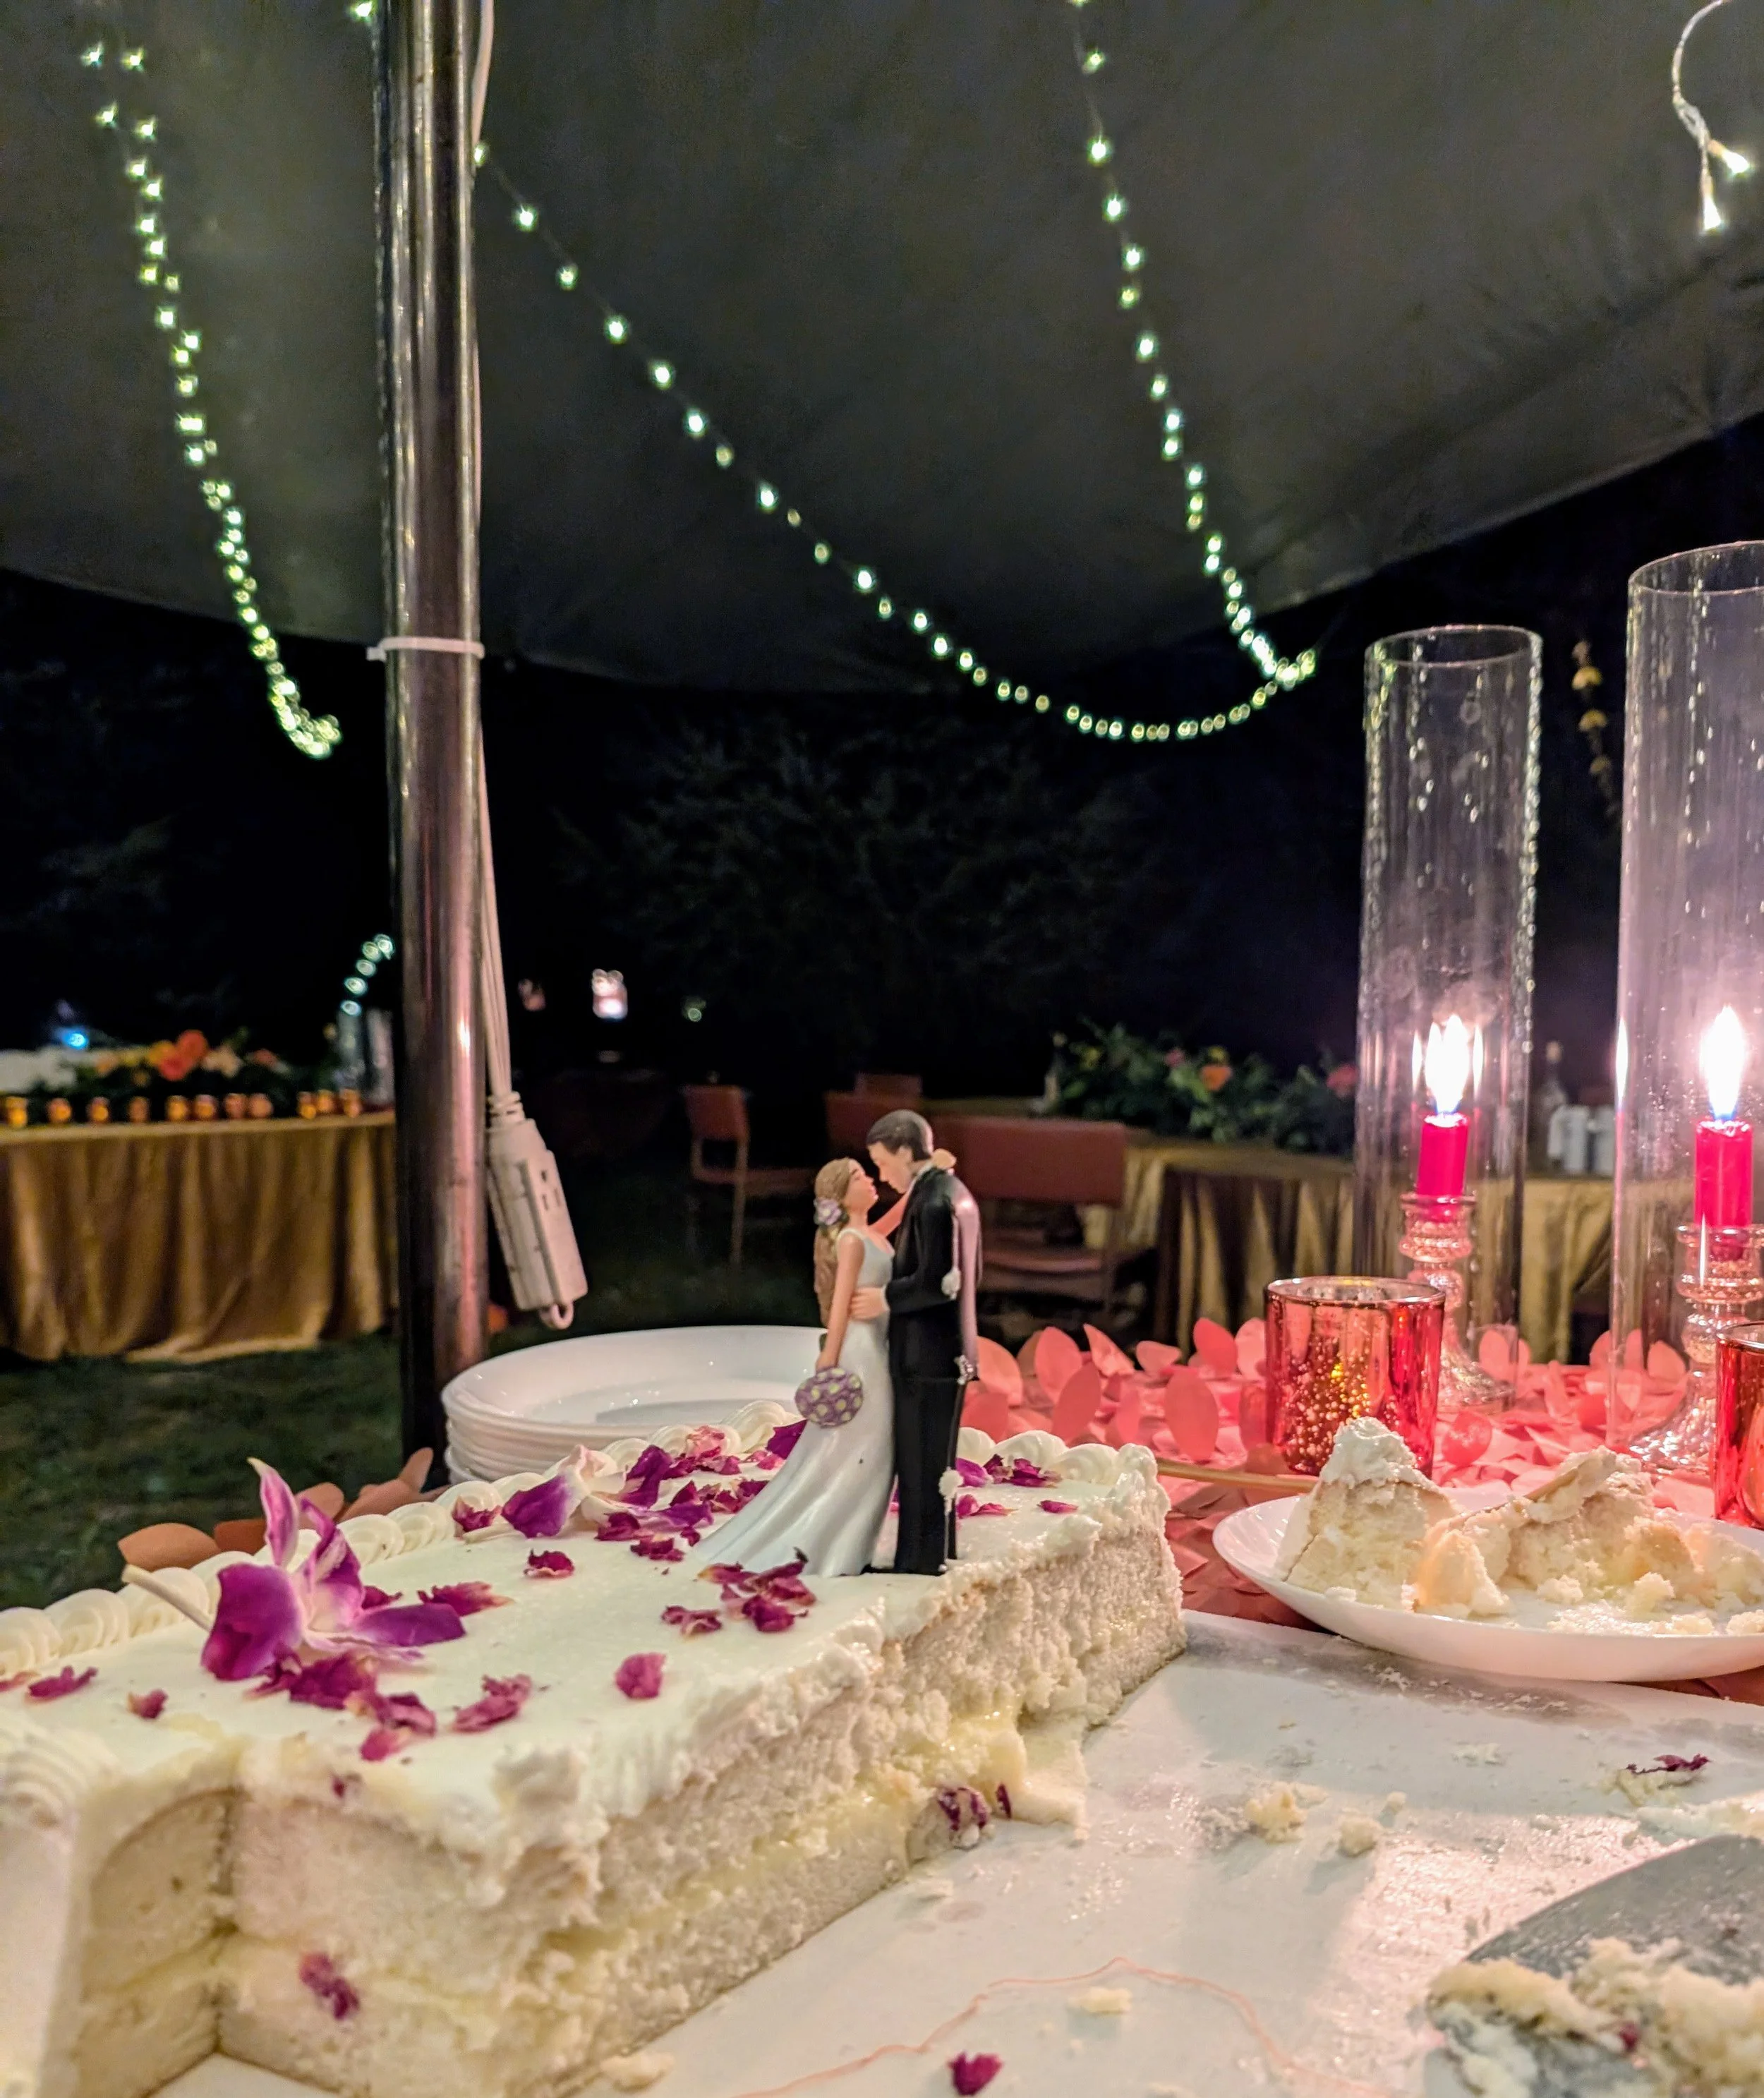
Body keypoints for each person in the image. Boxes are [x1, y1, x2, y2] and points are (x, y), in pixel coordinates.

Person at [691, 1157, 898, 1576]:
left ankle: (849, 1540)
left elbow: (895, 1219)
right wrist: (829, 1355)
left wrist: (927, 1180)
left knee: (872, 1445)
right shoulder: (851, 1241)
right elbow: (840, 1303)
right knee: (864, 1443)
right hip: (861, 1351)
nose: (870, 1180)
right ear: (842, 1195)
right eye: (860, 1177)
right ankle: (831, 1543)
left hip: (879, 1344)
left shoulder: (870, 1233)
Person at [854, 1109, 980, 1575]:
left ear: (906, 1150)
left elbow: (940, 1282)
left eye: (884, 1163)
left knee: (920, 1463)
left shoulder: (933, 1203)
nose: (883, 1175)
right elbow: (973, 1274)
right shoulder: (955, 1192)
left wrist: (884, 1298)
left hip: (927, 1354)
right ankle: (937, 1548)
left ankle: (921, 1561)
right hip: (950, 1348)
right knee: (935, 1464)